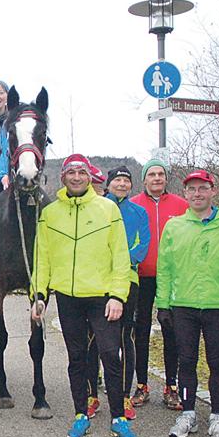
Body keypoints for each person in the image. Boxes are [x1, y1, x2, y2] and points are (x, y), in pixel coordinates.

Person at [31, 154, 137, 437]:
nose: (76, 177)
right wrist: (39, 296)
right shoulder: (50, 213)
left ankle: (119, 417)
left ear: (89, 177)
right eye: (71, 173)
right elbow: (43, 259)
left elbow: (120, 256)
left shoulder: (107, 209)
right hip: (68, 298)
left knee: (109, 356)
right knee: (76, 358)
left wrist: (118, 295)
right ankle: (81, 414)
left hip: (102, 297)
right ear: (63, 178)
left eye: (81, 172)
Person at [158, 170, 219, 437]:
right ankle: (187, 413)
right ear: (185, 194)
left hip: (216, 305)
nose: (197, 194)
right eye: (192, 189)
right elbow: (165, 269)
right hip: (182, 304)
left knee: (217, 361)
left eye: (202, 188)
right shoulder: (174, 227)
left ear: (213, 191)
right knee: (186, 361)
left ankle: (218, 416)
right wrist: (162, 305)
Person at [85, 166, 150, 421]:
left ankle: (123, 395)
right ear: (108, 184)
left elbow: (142, 246)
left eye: (126, 181)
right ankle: (92, 394)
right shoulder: (96, 207)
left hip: (128, 279)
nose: (122, 184)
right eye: (117, 180)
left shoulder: (139, 212)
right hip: (97, 280)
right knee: (92, 337)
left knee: (125, 336)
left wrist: (120, 262)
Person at [130, 157, 188, 410]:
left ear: (166, 179)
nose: (156, 178)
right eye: (151, 174)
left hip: (171, 278)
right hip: (141, 277)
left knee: (171, 331)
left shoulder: (182, 206)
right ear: (144, 180)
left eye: (160, 174)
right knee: (140, 331)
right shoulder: (133, 205)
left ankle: (171, 386)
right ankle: (141, 384)